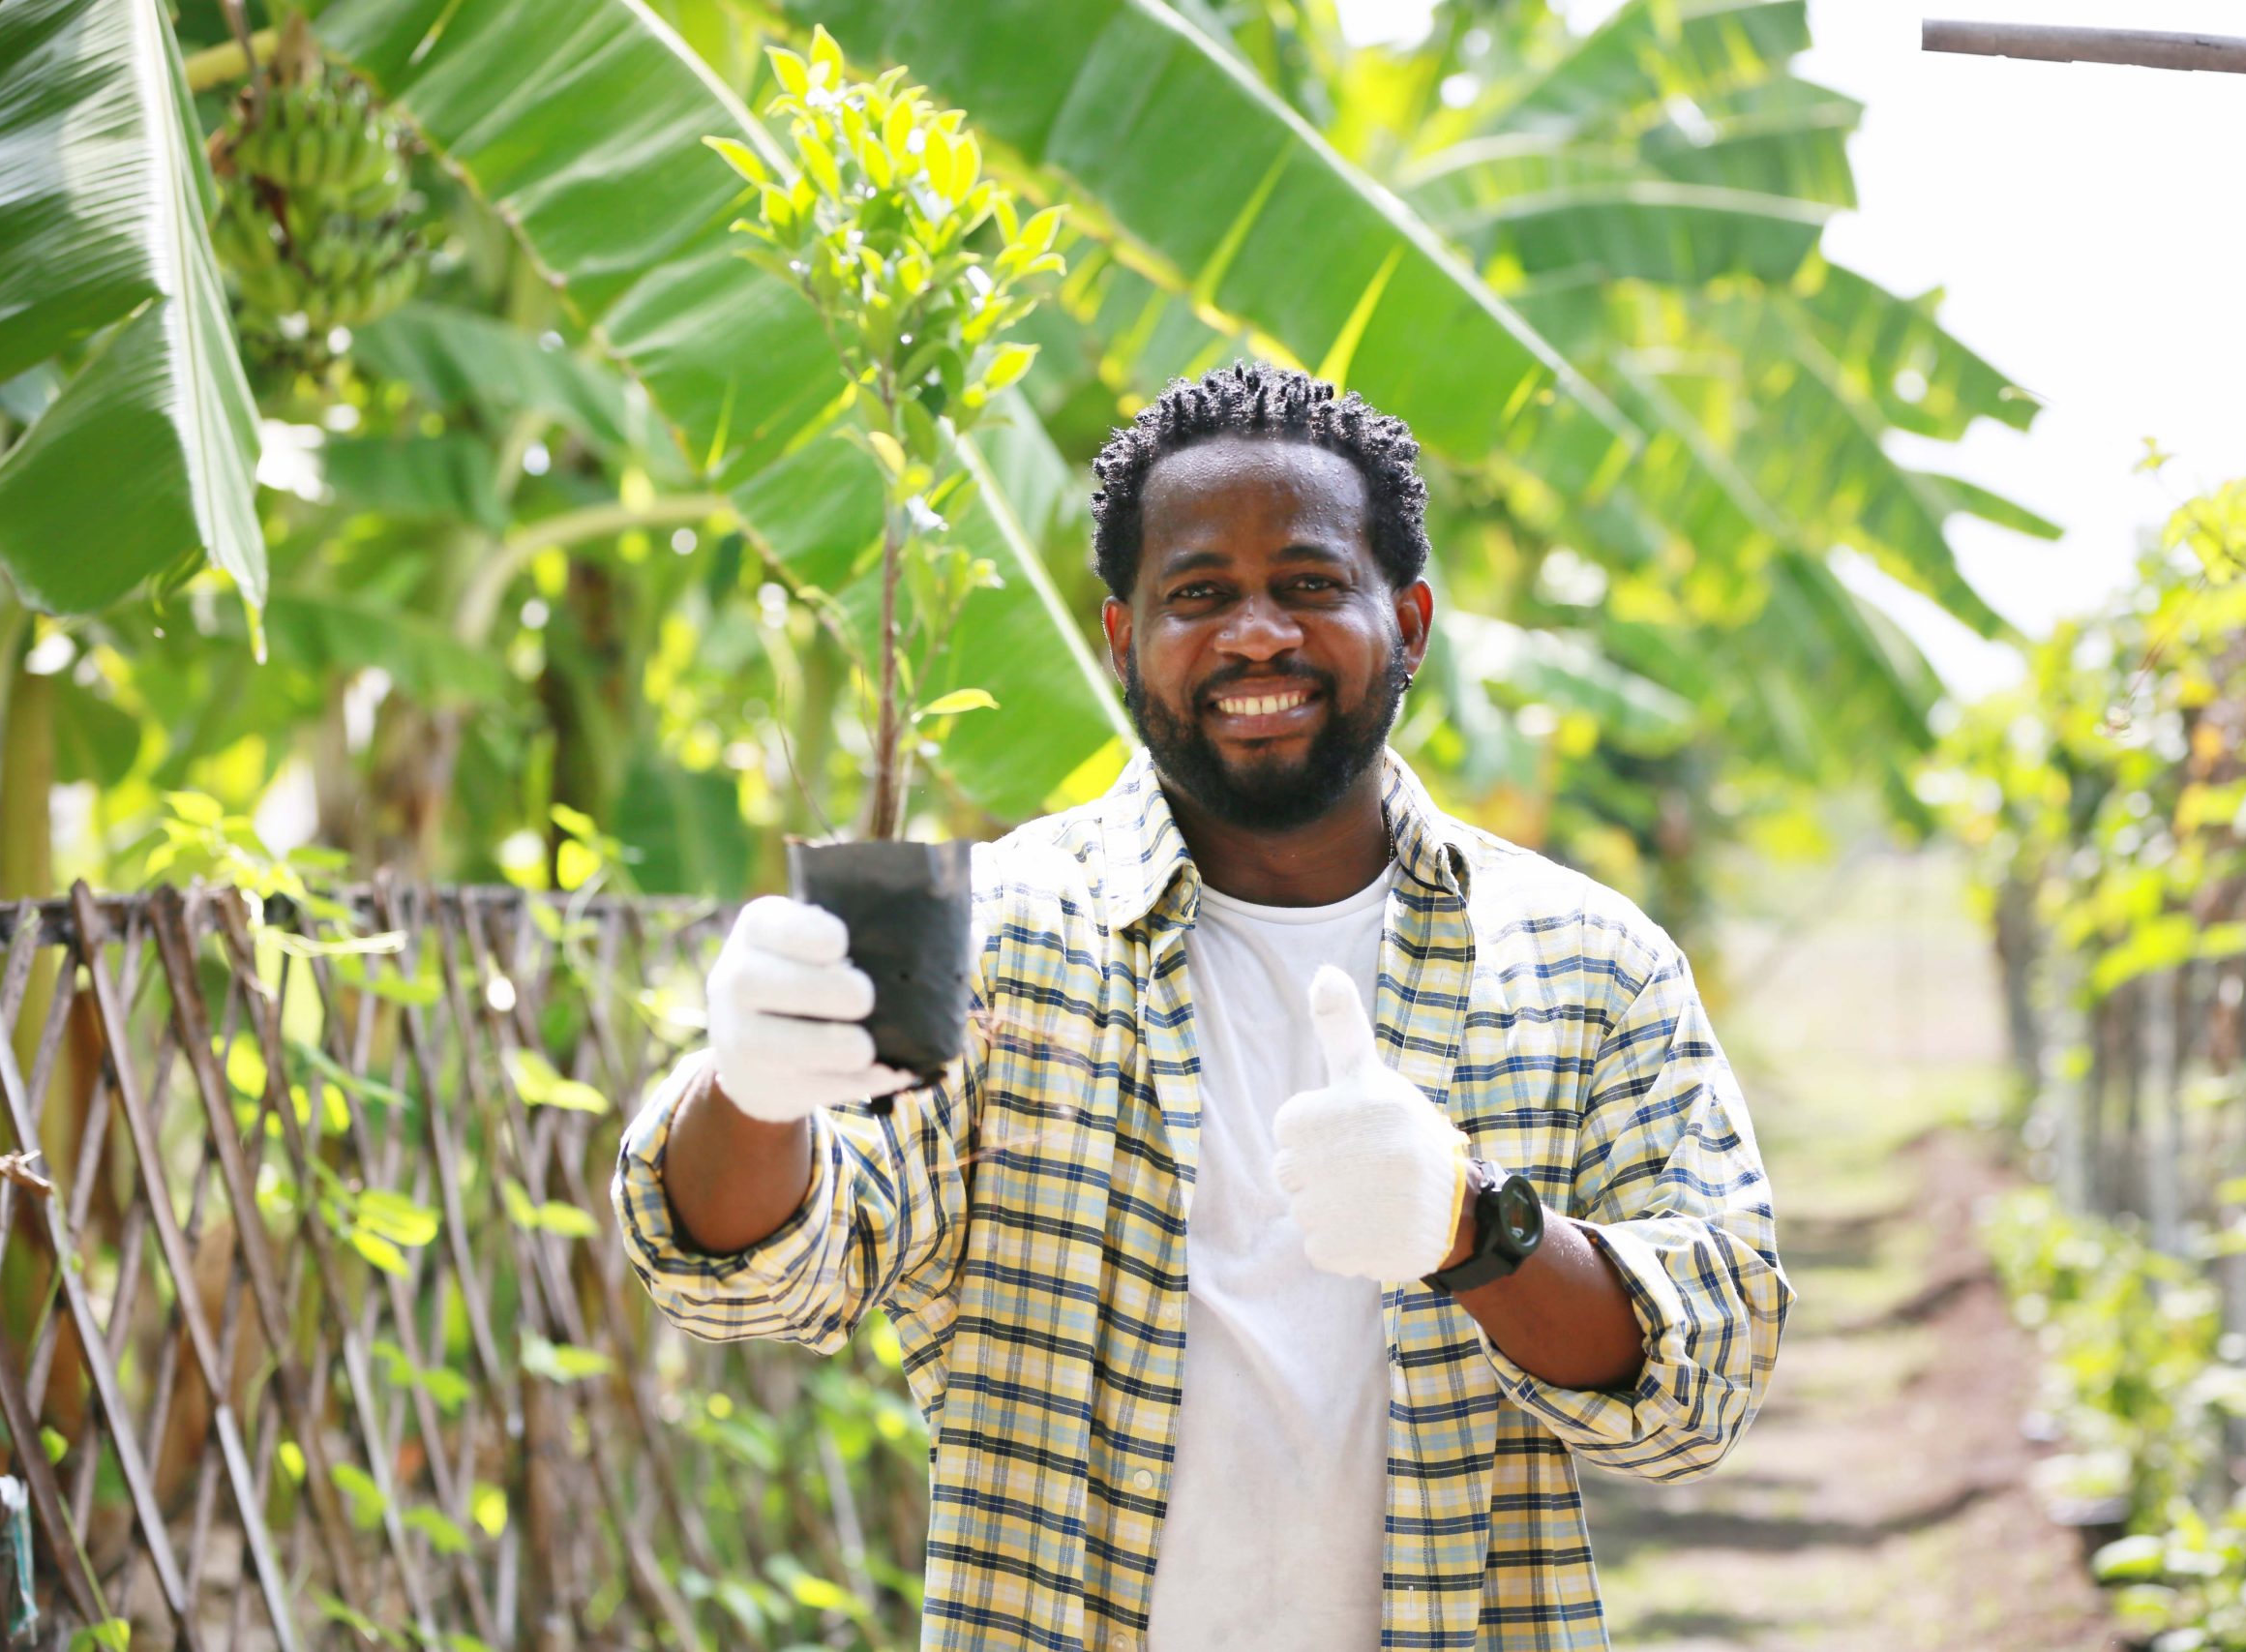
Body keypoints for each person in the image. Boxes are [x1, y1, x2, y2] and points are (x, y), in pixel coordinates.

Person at [613, 360, 1794, 1652]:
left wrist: (1474, 1227)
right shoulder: (995, 939)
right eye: (1198, 595)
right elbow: (758, 1282)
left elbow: (1708, 1379)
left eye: (1307, 585)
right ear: (1126, 639)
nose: (1255, 635)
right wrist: (751, 1089)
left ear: (1407, 620)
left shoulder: (1587, 960)